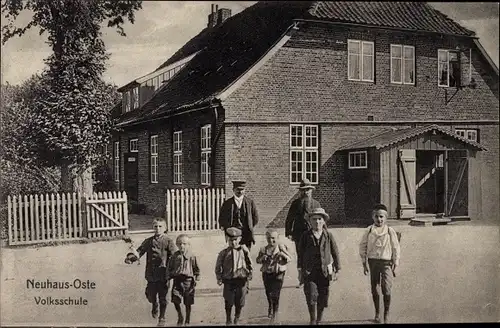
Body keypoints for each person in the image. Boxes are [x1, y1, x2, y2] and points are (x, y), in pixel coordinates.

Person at [125, 218, 176, 327]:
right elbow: (139, 252)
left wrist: (173, 267)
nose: (158, 229)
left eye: (160, 226)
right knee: (150, 295)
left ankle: (162, 317)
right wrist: (131, 258)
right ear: (153, 227)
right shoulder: (148, 241)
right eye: (155, 226)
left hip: (164, 274)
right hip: (151, 274)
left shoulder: (168, 241)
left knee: (163, 297)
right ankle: (154, 304)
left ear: (165, 228)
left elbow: (175, 255)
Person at [297, 208, 341, 325]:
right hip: (309, 271)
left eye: (319, 219)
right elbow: (300, 254)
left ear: (324, 221)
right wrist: (300, 270)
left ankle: (319, 318)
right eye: (314, 219)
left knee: (323, 295)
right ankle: (312, 319)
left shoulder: (328, 235)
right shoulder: (305, 236)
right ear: (310, 222)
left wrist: (337, 269)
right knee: (311, 295)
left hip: (324, 271)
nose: (317, 222)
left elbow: (335, 252)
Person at [359, 204, 401, 324]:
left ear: (386, 218)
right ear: (373, 217)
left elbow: (396, 247)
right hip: (373, 262)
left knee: (386, 289)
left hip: (386, 262)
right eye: (377, 216)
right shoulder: (369, 230)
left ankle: (386, 313)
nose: (379, 219)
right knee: (375, 288)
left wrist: (395, 264)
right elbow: (363, 246)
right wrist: (364, 263)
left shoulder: (389, 231)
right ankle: (377, 313)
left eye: (381, 217)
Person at [215, 227, 253, 325]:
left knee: (240, 301)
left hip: (241, 279)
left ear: (239, 239)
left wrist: (250, 274)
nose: (233, 242)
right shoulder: (223, 253)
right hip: (229, 280)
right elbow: (218, 266)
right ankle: (228, 318)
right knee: (228, 300)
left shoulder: (244, 250)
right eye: (231, 240)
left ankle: (237, 317)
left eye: (235, 240)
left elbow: (249, 263)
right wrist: (219, 278)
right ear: (227, 239)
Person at [256, 229, 292, 323]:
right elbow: (257, 260)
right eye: (269, 238)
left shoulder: (281, 247)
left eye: (273, 238)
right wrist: (262, 258)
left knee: (276, 293)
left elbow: (289, 258)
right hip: (267, 273)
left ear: (278, 238)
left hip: (279, 273)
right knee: (268, 292)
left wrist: (282, 255)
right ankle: (270, 305)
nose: (271, 240)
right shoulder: (263, 249)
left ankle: (275, 311)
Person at [165, 234, 200, 326]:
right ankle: (180, 315)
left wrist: (197, 277)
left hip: (188, 281)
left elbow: (196, 268)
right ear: (176, 244)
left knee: (188, 301)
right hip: (177, 280)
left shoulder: (192, 256)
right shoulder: (174, 256)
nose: (182, 246)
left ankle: (187, 318)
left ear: (188, 245)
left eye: (184, 244)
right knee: (175, 299)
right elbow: (169, 268)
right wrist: (168, 278)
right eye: (179, 244)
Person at [218, 180, 259, 250]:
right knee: (233, 254)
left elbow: (255, 218)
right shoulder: (227, 203)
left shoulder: (250, 203)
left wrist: (249, 227)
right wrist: (228, 229)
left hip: (246, 234)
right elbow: (221, 218)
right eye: (237, 189)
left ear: (245, 190)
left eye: (242, 189)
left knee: (246, 255)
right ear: (233, 190)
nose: (240, 192)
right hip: (233, 235)